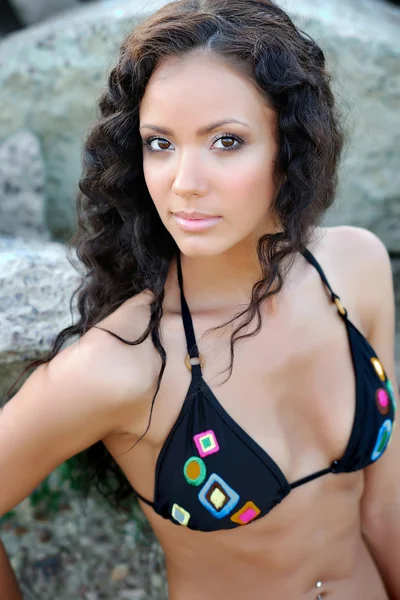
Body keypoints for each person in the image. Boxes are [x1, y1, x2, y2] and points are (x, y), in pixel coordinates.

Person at [1, 0, 399, 598]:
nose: (184, 181)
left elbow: (384, 508)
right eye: (160, 143)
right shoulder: (121, 365)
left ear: (288, 147)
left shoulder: (354, 267)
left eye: (226, 142)